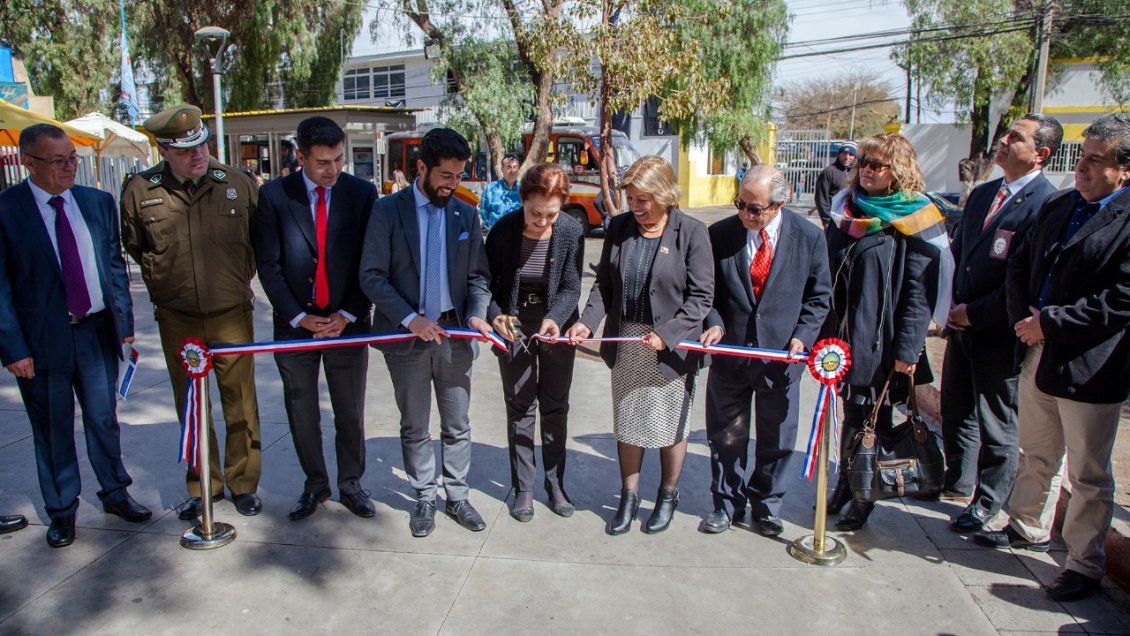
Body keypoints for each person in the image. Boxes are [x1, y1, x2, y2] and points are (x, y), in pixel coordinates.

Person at [975, 113, 1130, 602]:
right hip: (1038, 349)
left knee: (1087, 473)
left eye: (1095, 161)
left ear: (1124, 170)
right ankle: (1026, 525)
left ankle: (1083, 563)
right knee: (1038, 451)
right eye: (1081, 157)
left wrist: (1052, 322)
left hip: (1091, 365)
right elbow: (1020, 263)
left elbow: (1121, 298)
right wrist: (1025, 318)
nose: (1081, 168)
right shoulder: (1061, 206)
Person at [0, 124, 150, 548]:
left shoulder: (97, 202)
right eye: (58, 160)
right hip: (40, 342)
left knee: (104, 419)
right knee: (53, 428)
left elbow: (113, 265)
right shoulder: (7, 210)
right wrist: (12, 347)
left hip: (96, 332)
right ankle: (63, 510)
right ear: (27, 162)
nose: (69, 167)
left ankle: (116, 493)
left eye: (73, 158)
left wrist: (123, 324)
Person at [120, 105, 263, 521]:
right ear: (163, 150)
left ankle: (243, 483)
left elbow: (257, 243)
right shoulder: (139, 191)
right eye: (185, 150)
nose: (198, 154)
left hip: (231, 312)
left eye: (201, 144)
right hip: (178, 317)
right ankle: (205, 484)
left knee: (241, 403)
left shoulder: (236, 183)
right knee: (192, 404)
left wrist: (233, 281)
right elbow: (137, 247)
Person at [565, 156, 713, 535]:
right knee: (629, 423)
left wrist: (669, 334)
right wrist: (586, 322)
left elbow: (701, 298)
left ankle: (667, 494)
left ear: (664, 194)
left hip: (670, 346)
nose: (636, 206)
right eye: (631, 198)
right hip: (629, 340)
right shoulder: (619, 227)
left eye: (643, 199)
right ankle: (628, 496)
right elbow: (604, 286)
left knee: (669, 427)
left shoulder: (692, 232)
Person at [359, 128, 493, 538]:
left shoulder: (465, 214)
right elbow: (372, 275)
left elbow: (478, 278)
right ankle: (423, 496)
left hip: (454, 334)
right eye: (446, 176)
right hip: (407, 337)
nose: (454, 185)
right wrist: (409, 318)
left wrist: (476, 315)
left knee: (457, 422)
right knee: (415, 423)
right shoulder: (387, 211)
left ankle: (457, 495)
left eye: (459, 176)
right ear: (421, 168)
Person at [823, 133, 952, 531]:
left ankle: (865, 495)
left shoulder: (914, 217)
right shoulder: (847, 211)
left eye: (877, 165)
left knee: (873, 419)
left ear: (898, 171)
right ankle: (847, 482)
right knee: (851, 414)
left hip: (883, 341)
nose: (867, 171)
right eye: (863, 163)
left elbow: (918, 292)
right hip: (842, 337)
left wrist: (909, 352)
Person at [252, 116, 379, 521]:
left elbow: (371, 263)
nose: (334, 170)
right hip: (295, 327)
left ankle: (351, 484)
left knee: (349, 410)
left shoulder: (361, 194)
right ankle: (315, 484)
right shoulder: (274, 196)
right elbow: (268, 266)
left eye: (339, 160)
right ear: (300, 156)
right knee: (302, 410)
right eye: (323, 162)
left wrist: (346, 313)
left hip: (347, 323)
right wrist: (298, 317)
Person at [940, 114, 1061, 532]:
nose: (1004, 141)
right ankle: (956, 480)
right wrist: (950, 305)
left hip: (999, 329)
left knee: (996, 419)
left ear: (1041, 153)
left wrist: (974, 313)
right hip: (960, 325)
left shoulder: (1048, 204)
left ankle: (988, 502)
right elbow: (959, 256)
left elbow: (1026, 280)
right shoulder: (984, 194)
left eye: (1017, 138)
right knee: (957, 408)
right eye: (1007, 133)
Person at [699, 165, 831, 536]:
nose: (745, 214)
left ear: (780, 204)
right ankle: (725, 505)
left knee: (776, 439)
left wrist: (803, 335)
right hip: (731, 356)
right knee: (726, 436)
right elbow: (706, 292)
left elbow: (819, 297)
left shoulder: (809, 238)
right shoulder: (720, 235)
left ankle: (767, 506)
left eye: (755, 209)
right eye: (740, 204)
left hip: (781, 360)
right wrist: (714, 321)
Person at [485, 163, 584, 522]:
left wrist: (555, 318)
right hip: (513, 321)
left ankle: (555, 483)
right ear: (522, 200)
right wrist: (496, 314)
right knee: (521, 404)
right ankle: (523, 486)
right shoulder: (503, 231)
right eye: (534, 213)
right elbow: (487, 283)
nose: (541, 221)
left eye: (550, 215)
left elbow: (572, 286)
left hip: (554, 322)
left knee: (555, 405)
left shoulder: (571, 230)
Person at [814, 143, 857, 226]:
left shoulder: (856, 173)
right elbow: (821, 199)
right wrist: (827, 221)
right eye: (844, 153)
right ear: (839, 154)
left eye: (851, 154)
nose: (847, 157)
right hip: (833, 221)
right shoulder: (829, 172)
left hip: (852, 222)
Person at [478, 152, 522, 231]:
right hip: (496, 236)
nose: (512, 171)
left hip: (518, 236)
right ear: (502, 169)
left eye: (515, 167)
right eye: (508, 167)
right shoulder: (490, 189)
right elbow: (483, 211)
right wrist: (493, 227)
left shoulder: (524, 189)